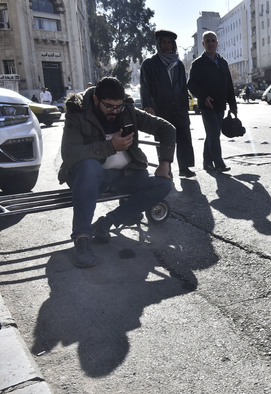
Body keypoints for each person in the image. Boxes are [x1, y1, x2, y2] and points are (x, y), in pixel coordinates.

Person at [58, 77, 176, 268]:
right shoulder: (77, 112)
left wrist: (165, 162)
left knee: (163, 184)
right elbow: (69, 153)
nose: (114, 111)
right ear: (96, 100)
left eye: (118, 106)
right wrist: (110, 146)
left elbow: (167, 128)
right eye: (109, 106)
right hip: (90, 179)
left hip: (126, 176)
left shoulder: (127, 110)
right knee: (89, 166)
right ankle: (82, 238)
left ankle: (107, 222)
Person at [141, 29, 196, 178]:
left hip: (179, 108)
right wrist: (147, 105)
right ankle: (167, 170)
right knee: (164, 139)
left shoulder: (178, 64)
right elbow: (145, 86)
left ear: (173, 44)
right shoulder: (150, 64)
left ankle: (185, 168)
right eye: (164, 42)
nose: (166, 45)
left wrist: (186, 106)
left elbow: (183, 87)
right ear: (158, 44)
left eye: (169, 42)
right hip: (161, 108)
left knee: (184, 137)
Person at [188, 31, 237, 172]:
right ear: (203, 44)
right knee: (214, 132)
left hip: (221, 106)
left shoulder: (223, 63)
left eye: (213, 40)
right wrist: (203, 98)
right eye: (207, 41)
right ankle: (218, 162)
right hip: (207, 107)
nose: (210, 43)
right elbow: (191, 85)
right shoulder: (197, 64)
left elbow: (229, 85)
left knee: (212, 134)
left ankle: (207, 162)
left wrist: (233, 105)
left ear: (217, 43)